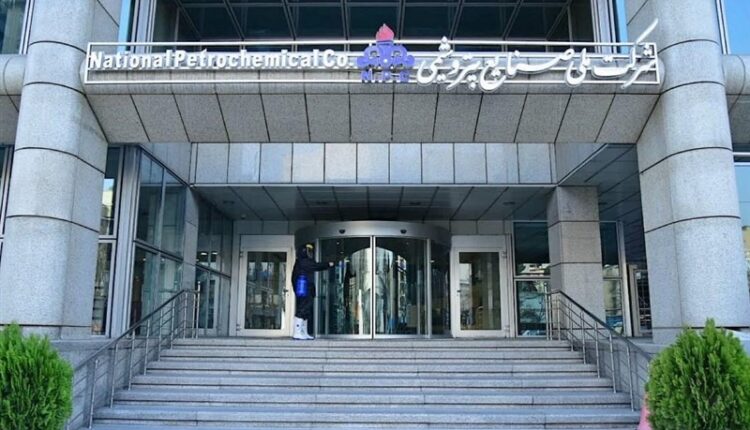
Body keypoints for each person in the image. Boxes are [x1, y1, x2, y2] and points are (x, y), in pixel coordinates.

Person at [291, 243, 333, 340]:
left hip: (307, 287)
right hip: (303, 287)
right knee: (303, 308)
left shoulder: (303, 262)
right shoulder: (302, 261)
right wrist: (327, 264)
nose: (310, 253)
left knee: (306, 310)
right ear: (304, 252)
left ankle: (303, 331)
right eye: (308, 251)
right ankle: (297, 332)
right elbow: (315, 266)